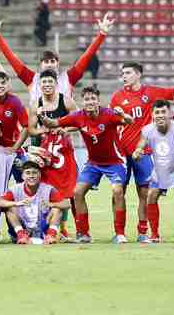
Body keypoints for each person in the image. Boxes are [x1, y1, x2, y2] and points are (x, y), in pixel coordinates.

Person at [41, 86, 133, 243]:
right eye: (87, 99)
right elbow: (53, 123)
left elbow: (129, 121)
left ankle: (119, 233)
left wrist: (123, 114)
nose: (90, 102)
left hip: (115, 162)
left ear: (98, 101)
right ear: (82, 102)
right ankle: (83, 234)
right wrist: (42, 116)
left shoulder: (109, 115)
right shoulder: (78, 116)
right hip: (93, 163)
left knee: (118, 191)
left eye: (93, 99)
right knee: (77, 192)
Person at [109, 62, 174, 243]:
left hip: (144, 152)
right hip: (121, 153)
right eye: (123, 73)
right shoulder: (117, 97)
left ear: (138, 75)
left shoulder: (151, 92)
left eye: (128, 73)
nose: (124, 76)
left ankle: (142, 231)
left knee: (144, 192)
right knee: (118, 191)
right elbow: (111, 120)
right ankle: (119, 232)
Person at [0, 12, 114, 103]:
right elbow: (11, 58)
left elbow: (87, 56)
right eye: (46, 61)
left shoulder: (69, 77)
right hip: (38, 134)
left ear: (57, 64)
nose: (49, 64)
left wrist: (101, 34)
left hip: (62, 133)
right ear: (41, 65)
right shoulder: (31, 78)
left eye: (52, 61)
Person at [134, 100, 174, 243]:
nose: (160, 115)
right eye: (157, 112)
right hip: (160, 168)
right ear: (152, 115)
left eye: (163, 112)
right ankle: (154, 235)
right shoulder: (147, 130)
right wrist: (137, 152)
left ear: (170, 114)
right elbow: (140, 146)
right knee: (151, 196)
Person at [27, 69, 78, 238]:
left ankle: (80, 229)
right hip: (47, 153)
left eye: (50, 82)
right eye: (44, 83)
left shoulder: (67, 101)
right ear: (40, 86)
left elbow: (79, 122)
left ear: (56, 84)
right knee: (49, 190)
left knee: (71, 191)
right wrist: (43, 130)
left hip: (65, 151)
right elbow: (31, 129)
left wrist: (63, 129)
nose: (47, 85)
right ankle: (53, 227)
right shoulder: (36, 104)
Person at [0, 161, 71, 244]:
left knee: (57, 208)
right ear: (22, 176)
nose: (31, 176)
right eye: (28, 173)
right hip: (22, 227)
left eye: (34, 173)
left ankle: (50, 235)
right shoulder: (15, 189)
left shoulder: (48, 189)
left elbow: (67, 204)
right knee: (10, 208)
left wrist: (52, 204)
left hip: (42, 227)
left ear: (39, 175)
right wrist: (16, 203)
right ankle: (21, 235)